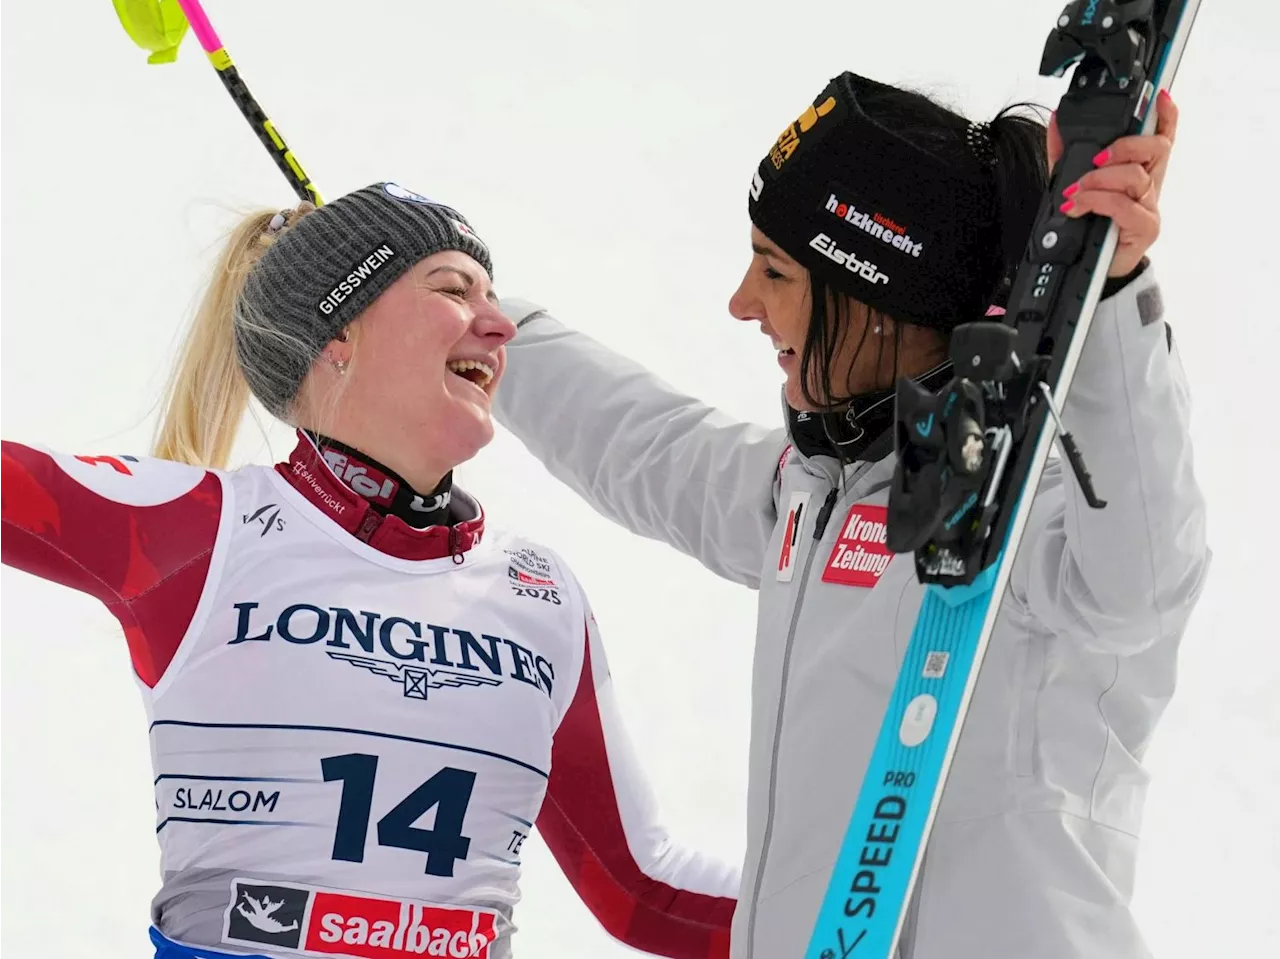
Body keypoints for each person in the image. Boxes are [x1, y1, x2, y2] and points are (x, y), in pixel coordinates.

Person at [490, 73, 1209, 959]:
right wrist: (481, 328)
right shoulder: (817, 493)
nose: (741, 302)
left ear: (877, 289)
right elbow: (650, 444)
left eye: (776, 268)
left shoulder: (1039, 504)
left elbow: (1143, 579)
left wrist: (1113, 290)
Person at [0, 182, 739, 959]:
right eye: (453, 289)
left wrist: (867, 927)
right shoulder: (200, 526)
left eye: (493, 298)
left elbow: (644, 891)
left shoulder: (537, 592)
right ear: (336, 340)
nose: (500, 324)